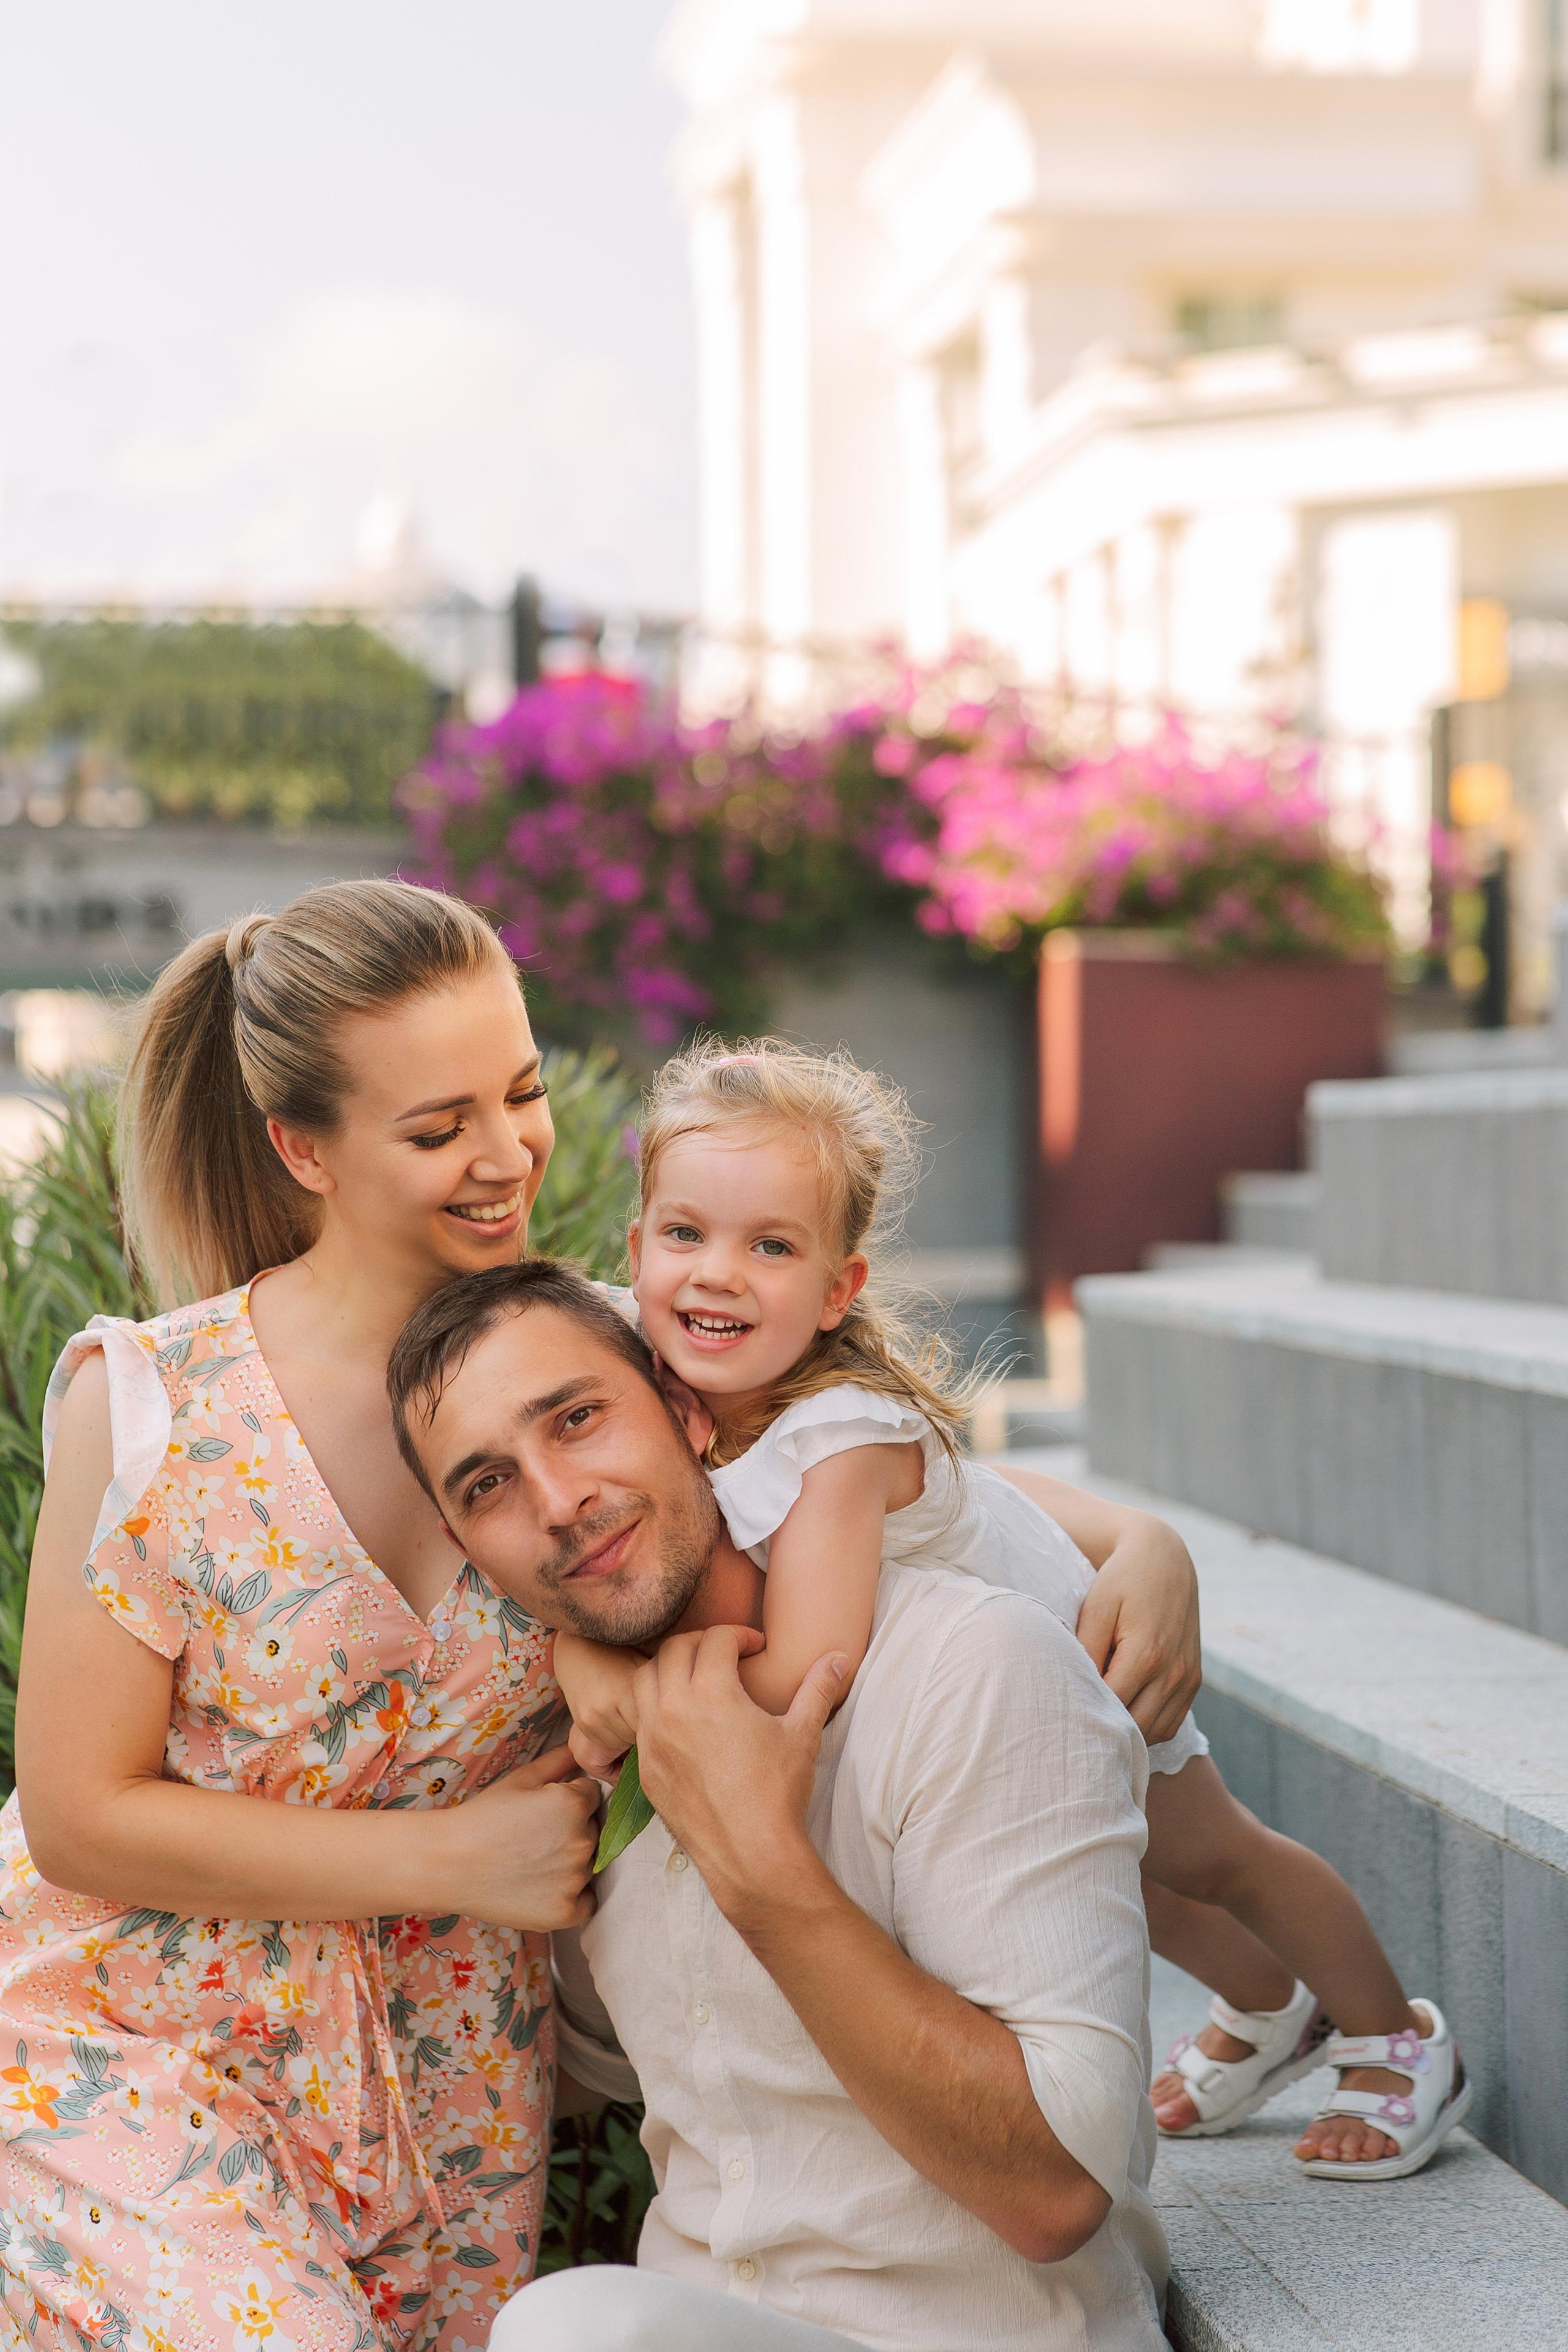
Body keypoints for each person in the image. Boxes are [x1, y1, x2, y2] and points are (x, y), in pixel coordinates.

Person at [552, 1038, 1469, 2180]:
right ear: (635, 1251)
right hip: (984, 1710)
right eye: (686, 1234)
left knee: (1217, 1856)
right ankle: (1268, 2006)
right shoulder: (672, 1381)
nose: (716, 1272)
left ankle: (1396, 2034)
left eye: (771, 1246)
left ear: (840, 1289)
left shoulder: (832, 1438)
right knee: (1135, 1877)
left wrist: (616, 1683)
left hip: (1076, 1664)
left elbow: (809, 1673)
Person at [5, 881, 601, 2352]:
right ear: (300, 1147)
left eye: (519, 1093)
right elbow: (76, 1814)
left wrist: (1132, 1547)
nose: (504, 1153)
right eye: (436, 1125)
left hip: (453, 2070)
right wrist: (456, 1854)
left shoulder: (594, 1365)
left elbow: (834, 1459)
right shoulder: (146, 1404)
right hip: (130, 2042)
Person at [388, 1257, 1170, 2351]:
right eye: (488, 1486)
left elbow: (1055, 2190)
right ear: (468, 1550)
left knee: (569, 2333)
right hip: (705, 2313)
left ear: (684, 1409)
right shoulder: (586, 1762)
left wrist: (759, 1865)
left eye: (576, 1419)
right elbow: (577, 2069)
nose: (558, 1503)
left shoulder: (969, 1666)